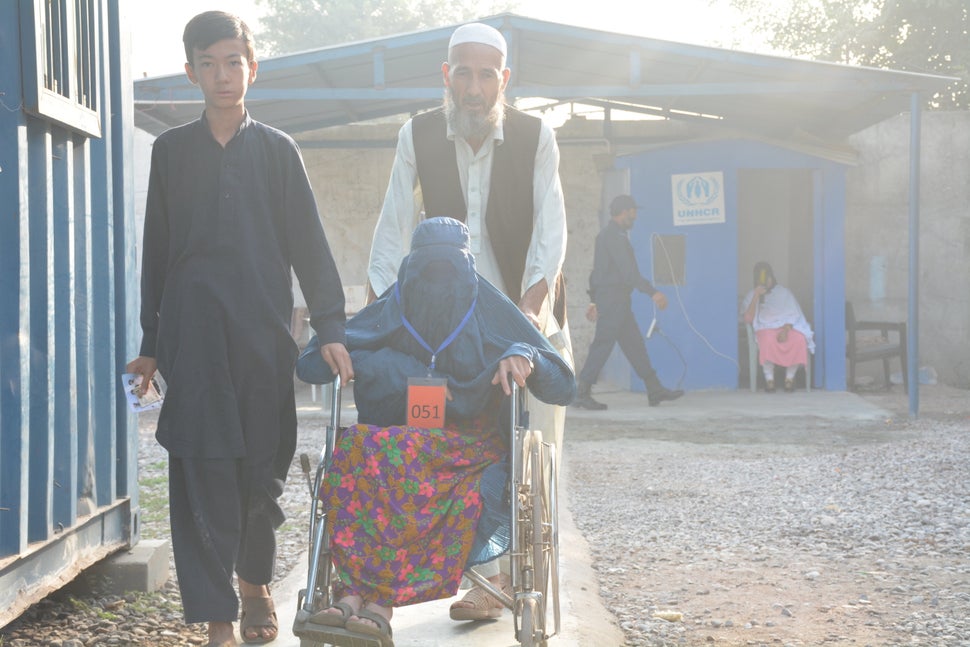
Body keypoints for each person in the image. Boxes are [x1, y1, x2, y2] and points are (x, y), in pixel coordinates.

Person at [124, 11, 353, 647]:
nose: (222, 75)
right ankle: (221, 617)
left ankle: (255, 585)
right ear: (192, 71)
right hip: (193, 340)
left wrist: (330, 326)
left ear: (252, 67)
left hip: (261, 338)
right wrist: (150, 344)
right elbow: (158, 253)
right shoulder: (171, 154)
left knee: (262, 471)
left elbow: (309, 245)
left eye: (233, 62)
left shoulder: (279, 152)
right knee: (201, 468)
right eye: (208, 63)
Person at [365, 21, 572, 621]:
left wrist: (522, 331)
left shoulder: (537, 137)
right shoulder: (418, 133)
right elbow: (390, 233)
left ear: (504, 80)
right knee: (434, 440)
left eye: (487, 74)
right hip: (443, 337)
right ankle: (433, 560)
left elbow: (550, 237)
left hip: (520, 326)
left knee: (530, 443)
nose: (474, 86)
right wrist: (387, 323)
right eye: (464, 72)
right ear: (446, 77)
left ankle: (503, 578)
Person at [297, 217, 575, 645]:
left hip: (469, 443)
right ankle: (351, 593)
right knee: (356, 446)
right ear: (410, 267)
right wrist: (349, 353)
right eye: (426, 268)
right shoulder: (397, 303)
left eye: (446, 268)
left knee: (394, 452)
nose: (435, 278)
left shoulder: (486, 305)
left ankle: (376, 604)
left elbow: (562, 380)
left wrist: (523, 353)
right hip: (401, 435)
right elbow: (313, 362)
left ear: (466, 267)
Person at [573, 194, 684, 410]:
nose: (635, 216)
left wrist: (594, 301)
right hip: (613, 299)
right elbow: (628, 273)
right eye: (633, 212)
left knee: (634, 345)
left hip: (616, 300)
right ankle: (582, 392)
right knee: (603, 345)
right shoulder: (613, 237)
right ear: (624, 212)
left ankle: (654, 389)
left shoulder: (609, 235)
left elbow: (597, 272)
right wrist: (653, 292)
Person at [740, 261, 814, 392]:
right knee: (768, 340)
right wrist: (757, 296)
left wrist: (786, 330)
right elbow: (748, 319)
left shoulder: (783, 293)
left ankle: (789, 378)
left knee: (798, 339)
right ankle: (769, 379)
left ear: (772, 276)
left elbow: (794, 314)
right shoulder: (752, 295)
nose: (765, 280)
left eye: (767, 277)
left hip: (786, 327)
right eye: (761, 277)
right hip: (765, 328)